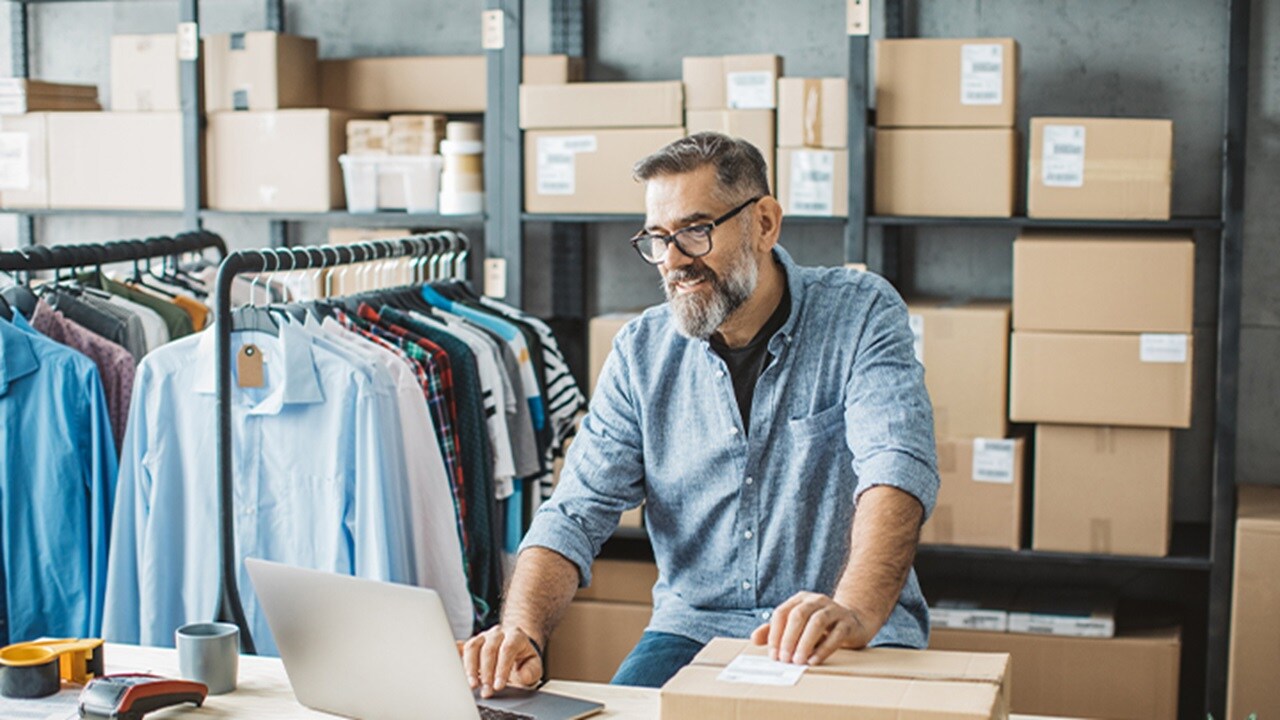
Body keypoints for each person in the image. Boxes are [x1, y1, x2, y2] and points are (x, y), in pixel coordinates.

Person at [462, 131, 939, 694]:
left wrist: (856, 609)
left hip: (839, 628)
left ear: (764, 223)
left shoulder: (861, 314)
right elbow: (574, 512)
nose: (673, 261)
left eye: (694, 231)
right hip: (693, 633)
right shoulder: (641, 352)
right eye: (657, 239)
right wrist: (520, 629)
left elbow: (896, 469)